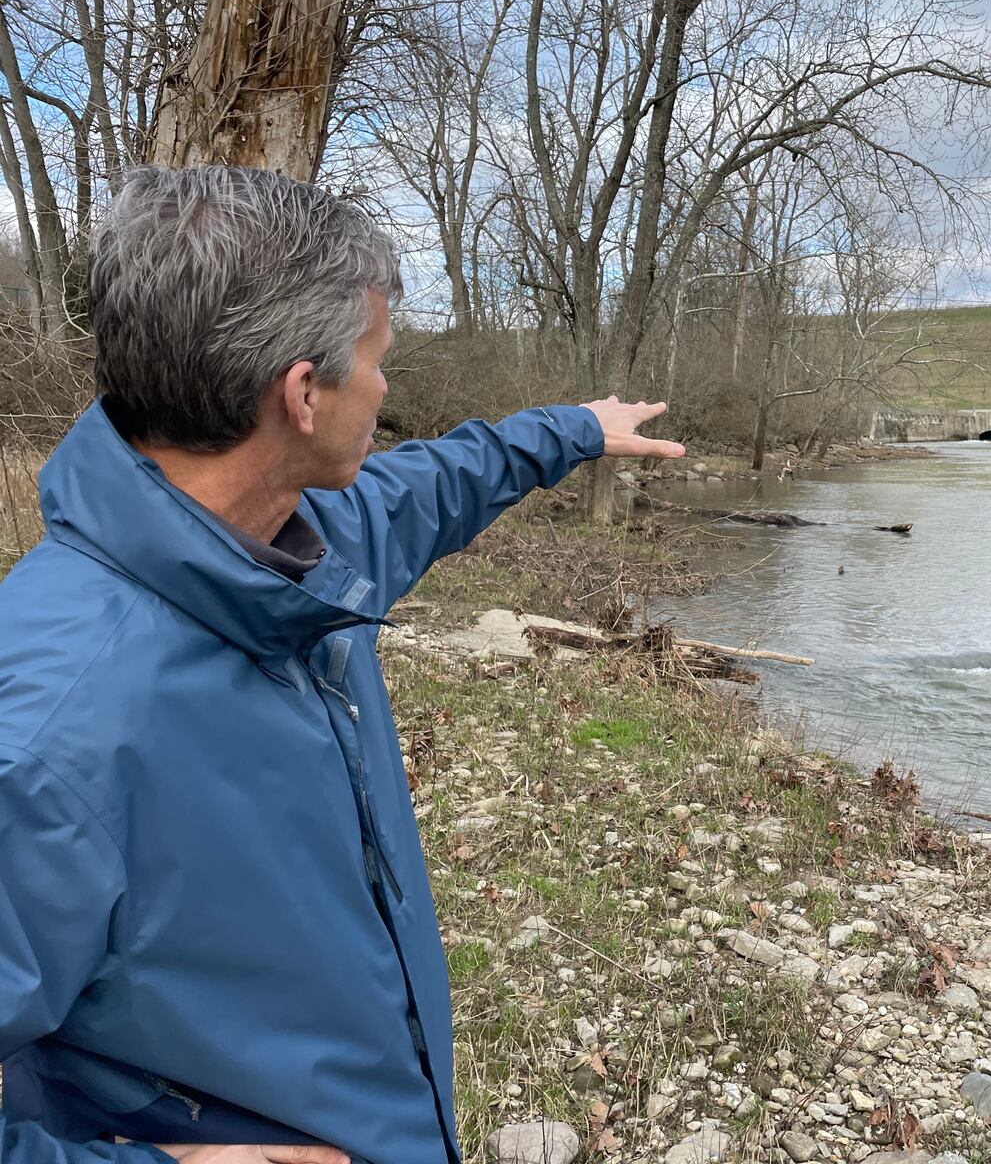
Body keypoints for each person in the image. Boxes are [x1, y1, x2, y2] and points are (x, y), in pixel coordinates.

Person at [0, 165, 683, 1164]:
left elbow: (440, 483)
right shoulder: (52, 727)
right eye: (377, 359)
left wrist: (574, 431)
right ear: (303, 395)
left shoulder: (296, 536)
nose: (388, 386)